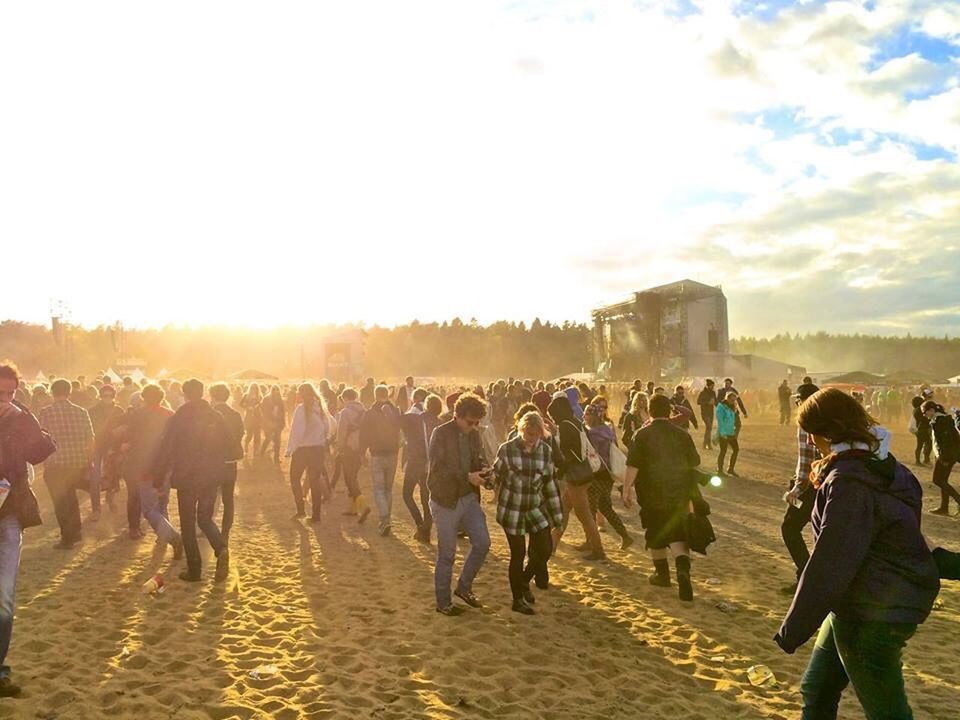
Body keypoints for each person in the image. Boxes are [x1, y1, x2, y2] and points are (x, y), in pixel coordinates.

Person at [775, 388, 939, 720]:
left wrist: (793, 628)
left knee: (888, 713)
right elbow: (903, 539)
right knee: (817, 690)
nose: (809, 442)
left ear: (824, 433)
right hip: (856, 604)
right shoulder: (890, 468)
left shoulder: (848, 482)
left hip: (872, 616)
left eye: (811, 434)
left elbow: (831, 560)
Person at [0, 361, 57, 697]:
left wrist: (23, 419)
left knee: (4, 600)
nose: (4, 398)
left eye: (11, 393)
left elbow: (42, 451)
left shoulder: (20, 418)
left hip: (9, 515)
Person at [622, 394, 702, 601]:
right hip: (679, 492)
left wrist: (626, 488)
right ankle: (683, 572)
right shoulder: (682, 434)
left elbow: (633, 465)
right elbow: (694, 461)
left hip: (651, 493)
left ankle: (662, 575)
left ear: (649, 410)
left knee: (656, 532)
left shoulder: (642, 434)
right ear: (669, 411)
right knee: (677, 533)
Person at [153, 379, 231, 583]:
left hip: (187, 477)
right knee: (205, 518)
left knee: (188, 523)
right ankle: (221, 548)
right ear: (203, 392)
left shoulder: (180, 417)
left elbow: (166, 447)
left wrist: (159, 476)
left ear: (185, 394)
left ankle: (195, 570)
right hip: (211, 475)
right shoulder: (215, 415)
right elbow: (233, 447)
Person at [427, 393, 492, 616]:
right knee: (447, 554)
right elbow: (437, 468)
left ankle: (464, 588)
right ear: (458, 416)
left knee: (482, 543)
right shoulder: (441, 433)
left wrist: (486, 474)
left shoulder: (474, 435)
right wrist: (467, 476)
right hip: (445, 500)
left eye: (477, 423)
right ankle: (443, 602)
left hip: (469, 498)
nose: (473, 426)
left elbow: (478, 460)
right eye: (470, 422)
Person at [493, 411, 563, 615]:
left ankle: (524, 581)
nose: (531, 438)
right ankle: (517, 599)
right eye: (528, 433)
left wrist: (557, 516)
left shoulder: (546, 451)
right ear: (521, 430)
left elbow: (550, 484)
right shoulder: (507, 449)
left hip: (534, 508)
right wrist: (487, 478)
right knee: (518, 554)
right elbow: (495, 475)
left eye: (536, 434)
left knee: (544, 549)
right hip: (512, 509)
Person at [119, 384, 183, 557]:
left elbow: (130, 440)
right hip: (166, 465)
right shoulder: (170, 414)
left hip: (145, 465)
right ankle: (164, 537)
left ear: (143, 398)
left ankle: (173, 537)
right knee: (162, 502)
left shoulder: (138, 415)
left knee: (148, 509)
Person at [547, 393, 605, 561]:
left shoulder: (565, 426)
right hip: (583, 473)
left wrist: (560, 471)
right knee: (564, 511)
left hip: (575, 476)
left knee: (584, 516)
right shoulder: (575, 422)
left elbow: (568, 454)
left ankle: (598, 550)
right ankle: (552, 546)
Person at [38, 379, 94, 549]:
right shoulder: (82, 412)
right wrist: (88, 461)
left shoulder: (46, 412)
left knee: (61, 502)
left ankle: (67, 537)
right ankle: (76, 532)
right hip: (76, 463)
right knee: (72, 498)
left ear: (52, 392)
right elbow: (90, 439)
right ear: (69, 392)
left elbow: (41, 438)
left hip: (55, 464)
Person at [779, 381, 821, 594]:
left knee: (790, 528)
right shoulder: (829, 420)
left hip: (810, 486)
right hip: (828, 486)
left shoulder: (806, 423)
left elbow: (806, 461)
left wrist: (796, 489)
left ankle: (806, 577)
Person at [583, 404, 634, 551]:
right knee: (606, 507)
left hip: (597, 474)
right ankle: (625, 536)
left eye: (586, 414)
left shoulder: (592, 434)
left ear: (592, 416)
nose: (584, 416)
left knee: (591, 510)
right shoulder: (607, 430)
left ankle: (590, 542)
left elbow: (591, 454)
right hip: (608, 475)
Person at [286, 383, 335, 524]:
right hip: (317, 449)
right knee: (315, 482)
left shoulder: (301, 410)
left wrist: (290, 449)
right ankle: (316, 515)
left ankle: (301, 510)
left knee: (295, 479)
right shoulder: (320, 408)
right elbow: (329, 426)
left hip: (302, 450)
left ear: (301, 394)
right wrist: (324, 439)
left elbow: (296, 432)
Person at [359, 385, 402, 537]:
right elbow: (399, 428)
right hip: (393, 453)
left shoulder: (370, 413)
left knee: (379, 489)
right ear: (387, 395)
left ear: (376, 395)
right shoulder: (395, 411)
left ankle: (384, 519)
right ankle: (386, 519)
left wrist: (362, 453)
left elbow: (363, 434)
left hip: (377, 453)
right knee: (388, 489)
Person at [210, 383, 245, 540]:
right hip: (230, 462)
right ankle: (226, 531)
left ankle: (208, 526)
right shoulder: (235, 414)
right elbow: (240, 435)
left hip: (213, 461)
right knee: (228, 499)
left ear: (213, 396)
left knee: (209, 495)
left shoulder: (210, 414)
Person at [87, 384, 125, 520]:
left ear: (114, 396)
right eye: (104, 395)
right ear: (100, 396)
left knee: (113, 476)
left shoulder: (119, 410)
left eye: (110, 395)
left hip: (113, 448)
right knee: (95, 478)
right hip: (97, 447)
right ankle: (96, 508)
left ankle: (110, 499)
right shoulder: (93, 411)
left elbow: (124, 428)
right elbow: (89, 430)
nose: (107, 398)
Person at [400, 392, 433, 544]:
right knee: (426, 497)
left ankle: (420, 525)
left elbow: (399, 423)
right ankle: (426, 528)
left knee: (407, 494)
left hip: (416, 461)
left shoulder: (414, 414)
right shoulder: (434, 419)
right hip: (429, 463)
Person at [335, 388, 371, 523]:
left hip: (349, 447)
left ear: (345, 398)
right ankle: (353, 509)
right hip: (361, 448)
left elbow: (341, 432)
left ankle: (363, 505)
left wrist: (339, 447)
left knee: (349, 478)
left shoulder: (345, 412)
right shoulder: (364, 411)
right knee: (353, 477)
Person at [923, 399, 960, 516]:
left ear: (932, 410)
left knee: (937, 480)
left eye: (925, 412)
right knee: (943, 480)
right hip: (947, 454)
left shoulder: (940, 421)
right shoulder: (941, 419)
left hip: (946, 455)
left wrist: (944, 458)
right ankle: (944, 508)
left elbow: (946, 442)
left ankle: (958, 500)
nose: (924, 415)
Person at [259, 385, 286, 465]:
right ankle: (262, 452)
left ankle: (276, 458)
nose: (276, 391)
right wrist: (268, 419)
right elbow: (263, 410)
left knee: (277, 441)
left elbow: (283, 412)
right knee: (268, 438)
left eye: (277, 390)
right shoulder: (266, 399)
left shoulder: (280, 400)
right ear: (271, 390)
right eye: (274, 389)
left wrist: (282, 423)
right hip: (268, 423)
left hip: (277, 423)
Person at [715, 393, 740, 477]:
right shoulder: (721, 407)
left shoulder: (732, 407)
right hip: (724, 433)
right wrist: (722, 433)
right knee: (723, 451)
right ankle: (720, 470)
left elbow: (733, 420)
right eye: (732, 400)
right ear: (727, 398)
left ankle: (730, 469)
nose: (733, 402)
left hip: (730, 432)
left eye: (734, 400)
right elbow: (720, 421)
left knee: (736, 450)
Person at [912, 388, 934, 466]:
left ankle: (922, 460)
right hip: (923, 429)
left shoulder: (916, 410)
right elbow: (924, 419)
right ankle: (923, 460)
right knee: (925, 444)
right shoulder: (919, 410)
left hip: (921, 429)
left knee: (922, 445)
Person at [241, 384, 263, 458]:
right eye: (253, 388)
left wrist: (259, 405)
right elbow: (241, 404)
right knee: (249, 435)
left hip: (258, 418)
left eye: (255, 388)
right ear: (250, 388)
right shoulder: (246, 395)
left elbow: (263, 406)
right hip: (249, 418)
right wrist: (247, 407)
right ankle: (246, 445)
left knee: (257, 436)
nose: (254, 389)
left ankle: (256, 451)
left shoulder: (260, 396)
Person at [696, 380, 717, 450]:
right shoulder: (703, 393)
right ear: (708, 386)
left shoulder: (713, 393)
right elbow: (698, 402)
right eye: (711, 386)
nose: (713, 387)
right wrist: (707, 402)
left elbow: (716, 402)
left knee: (709, 428)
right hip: (705, 412)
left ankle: (706, 444)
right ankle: (707, 444)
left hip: (711, 413)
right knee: (709, 427)